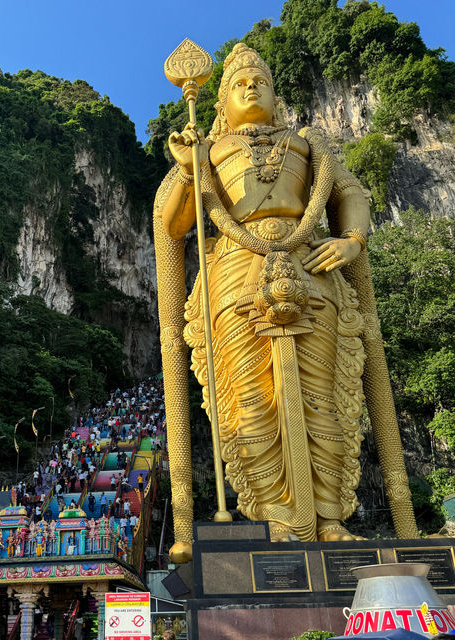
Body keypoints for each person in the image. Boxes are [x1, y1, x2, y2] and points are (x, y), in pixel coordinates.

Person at [155, 42, 399, 545]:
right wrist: (187, 168)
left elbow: (349, 193)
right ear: (220, 101)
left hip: (311, 265)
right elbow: (173, 224)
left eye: (260, 81)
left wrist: (351, 240)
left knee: (323, 396)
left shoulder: (309, 144)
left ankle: (329, 519)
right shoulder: (207, 151)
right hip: (235, 277)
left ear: (276, 93)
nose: (251, 87)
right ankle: (278, 522)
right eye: (240, 83)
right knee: (249, 400)